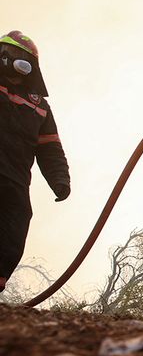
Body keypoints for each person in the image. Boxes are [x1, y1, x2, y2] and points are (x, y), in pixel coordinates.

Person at [0, 31, 70, 294]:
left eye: (25, 58)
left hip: (15, 181)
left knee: (13, 234)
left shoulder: (38, 105)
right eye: (14, 54)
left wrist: (60, 180)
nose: (20, 61)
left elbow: (51, 148)